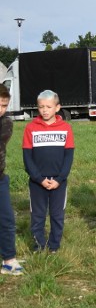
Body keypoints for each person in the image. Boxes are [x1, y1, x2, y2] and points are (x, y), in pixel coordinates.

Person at [22, 90, 74, 253]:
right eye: (41, 107)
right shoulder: (30, 128)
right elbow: (27, 158)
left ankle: (54, 246)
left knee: (57, 215)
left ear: (57, 108)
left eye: (49, 107)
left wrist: (59, 178)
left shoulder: (66, 128)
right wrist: (38, 178)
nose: (44, 110)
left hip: (59, 181)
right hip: (37, 182)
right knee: (37, 215)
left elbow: (68, 157)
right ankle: (38, 244)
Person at [0, 84, 23, 275]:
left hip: (0, 179)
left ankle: (9, 260)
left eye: (4, 105)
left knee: (6, 220)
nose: (2, 109)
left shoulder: (6, 122)